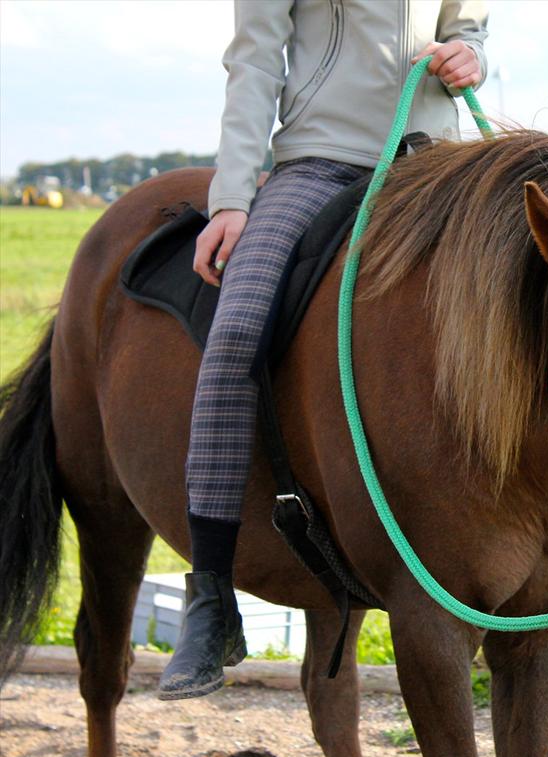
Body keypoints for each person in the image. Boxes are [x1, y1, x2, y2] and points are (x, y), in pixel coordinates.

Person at [160, 0, 490, 700]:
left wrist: (469, 54)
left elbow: (464, 20)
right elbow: (253, 58)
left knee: (547, 302)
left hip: (440, 161)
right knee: (237, 332)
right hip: (320, 165)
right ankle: (212, 598)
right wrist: (230, 199)